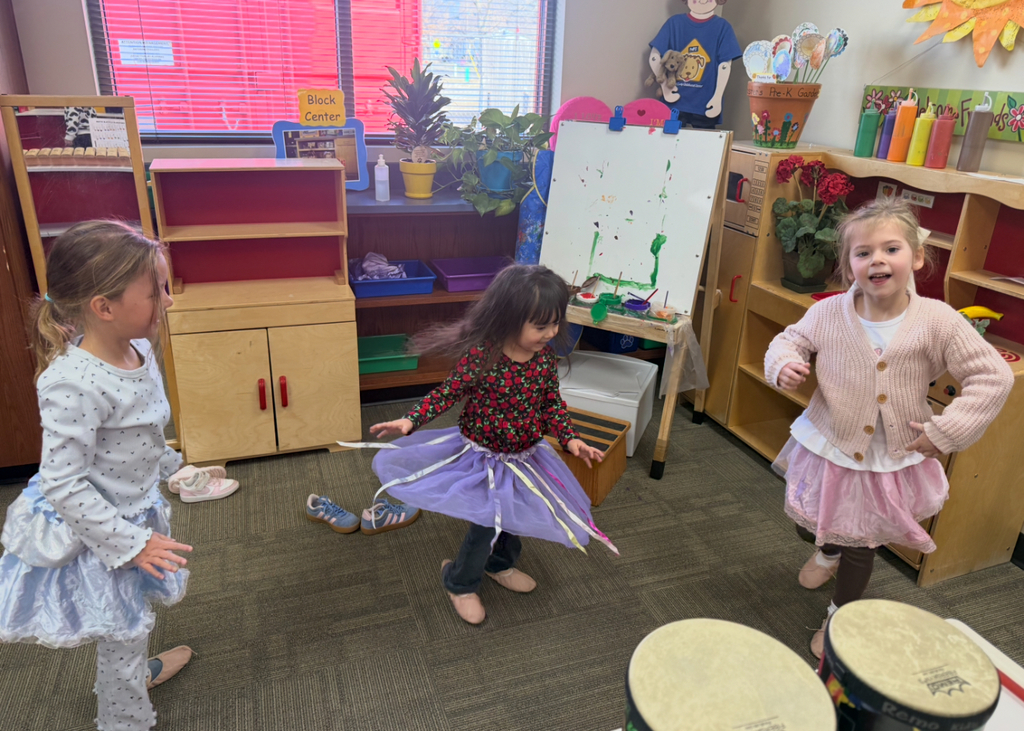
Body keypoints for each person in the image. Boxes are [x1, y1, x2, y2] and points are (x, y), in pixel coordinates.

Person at [764, 198, 1013, 658]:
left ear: (916, 257)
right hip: (830, 441)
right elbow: (789, 340)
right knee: (808, 522)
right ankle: (828, 552)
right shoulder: (828, 312)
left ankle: (839, 617)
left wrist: (947, 431)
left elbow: (993, 376)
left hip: (887, 455)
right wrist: (783, 364)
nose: (877, 260)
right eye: (863, 253)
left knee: (862, 543)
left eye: (891, 249)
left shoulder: (938, 320)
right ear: (849, 267)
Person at [0, 221, 201, 730]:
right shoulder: (72, 382)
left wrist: (174, 469)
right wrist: (131, 544)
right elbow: (63, 483)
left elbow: (141, 433)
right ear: (103, 307)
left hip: (132, 510)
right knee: (122, 630)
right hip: (98, 530)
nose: (168, 301)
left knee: (129, 625)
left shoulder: (137, 348)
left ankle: (130, 679)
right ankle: (123, 719)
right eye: (155, 292)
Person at [349, 265, 617, 624]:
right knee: (486, 523)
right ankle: (459, 582)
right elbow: (448, 392)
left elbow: (551, 404)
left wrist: (571, 439)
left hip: (525, 456)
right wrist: (411, 419)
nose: (552, 333)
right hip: (482, 458)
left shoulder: (543, 359)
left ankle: (499, 564)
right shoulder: (483, 355)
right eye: (541, 326)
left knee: (516, 517)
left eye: (556, 323)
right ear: (509, 318)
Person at [648, 0, 742, 128]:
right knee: (669, 139)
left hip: (705, 105)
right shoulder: (674, 23)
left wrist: (717, 97)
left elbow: (724, 65)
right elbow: (654, 57)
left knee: (702, 140)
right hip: (674, 103)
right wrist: (665, 88)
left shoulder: (723, 27)